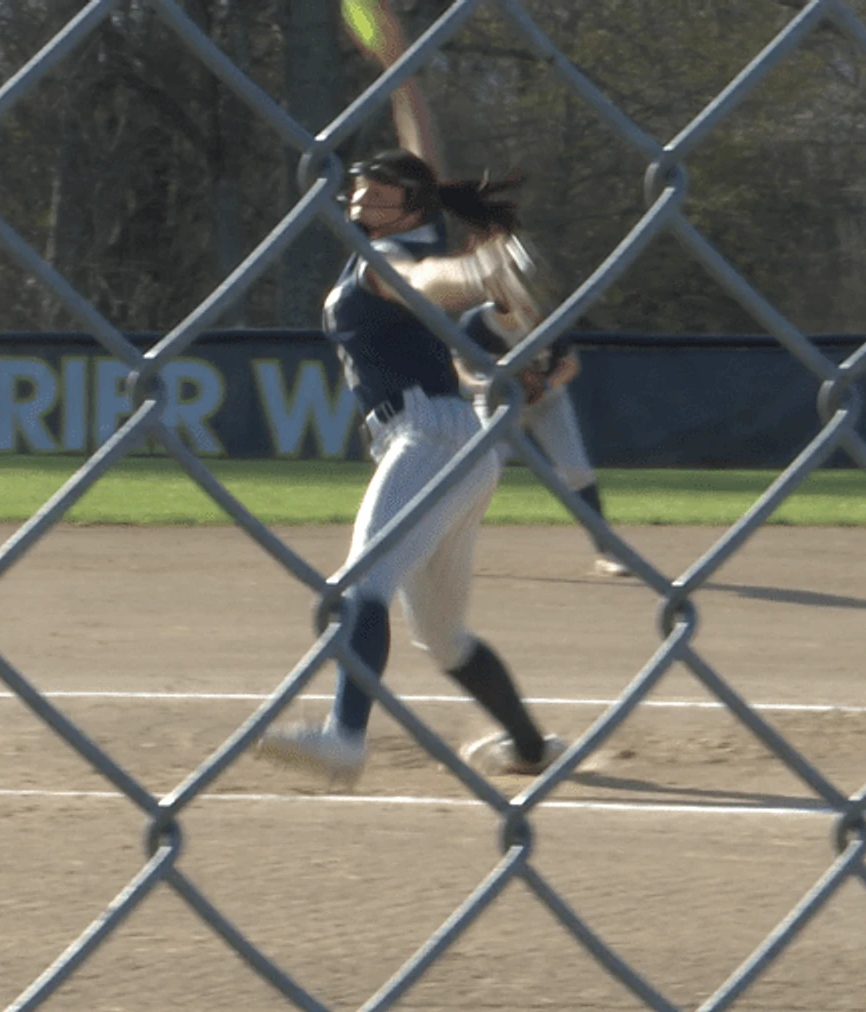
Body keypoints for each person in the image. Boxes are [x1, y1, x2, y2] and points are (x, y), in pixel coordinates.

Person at [255, 25, 564, 786]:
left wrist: (480, 273)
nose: (361, 190)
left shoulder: (390, 259)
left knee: (362, 583)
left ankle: (345, 737)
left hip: (427, 436)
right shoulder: (403, 237)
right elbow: (420, 154)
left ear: (407, 207)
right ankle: (530, 747)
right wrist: (399, 68)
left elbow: (427, 283)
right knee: (444, 637)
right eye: (357, 184)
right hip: (461, 443)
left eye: (378, 187)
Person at [455, 299, 631, 578]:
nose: (528, 302)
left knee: (576, 471)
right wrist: (481, 386)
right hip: (496, 404)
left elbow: (570, 364)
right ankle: (446, 550)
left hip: (547, 403)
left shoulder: (546, 319)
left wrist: (546, 385)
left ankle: (606, 552)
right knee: (480, 474)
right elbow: (459, 364)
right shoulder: (476, 322)